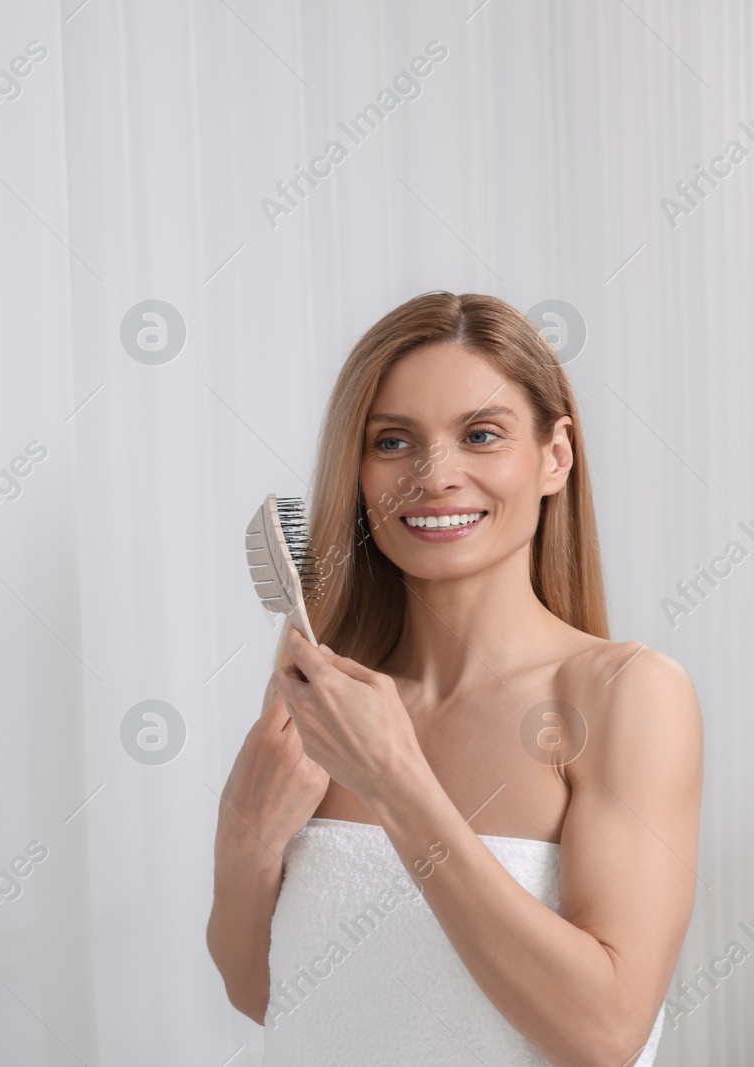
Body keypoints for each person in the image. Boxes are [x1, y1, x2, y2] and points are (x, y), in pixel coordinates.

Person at [207, 292, 701, 1065]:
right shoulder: (328, 698)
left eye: (480, 434)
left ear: (555, 455)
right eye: (394, 441)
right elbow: (265, 992)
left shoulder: (626, 694)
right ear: (358, 470)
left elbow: (604, 1032)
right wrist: (244, 838)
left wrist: (396, 780)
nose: (435, 476)